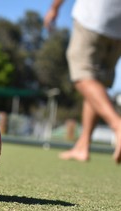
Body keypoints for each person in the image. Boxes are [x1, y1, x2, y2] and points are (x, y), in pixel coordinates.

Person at [44, 0, 121, 163]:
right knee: (96, 84)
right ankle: (83, 146)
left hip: (95, 16)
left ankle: (117, 125)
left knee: (82, 76)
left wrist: (54, 8)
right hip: (118, 27)